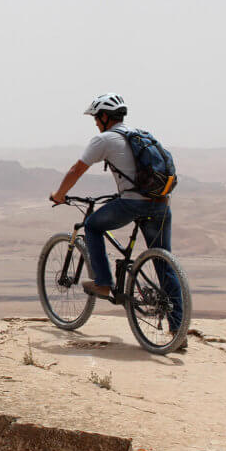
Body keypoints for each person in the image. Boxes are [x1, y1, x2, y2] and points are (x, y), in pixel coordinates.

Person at [49, 93, 184, 335]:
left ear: (104, 117)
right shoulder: (141, 135)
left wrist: (59, 195)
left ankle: (103, 283)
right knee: (164, 264)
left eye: (96, 118)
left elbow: (76, 169)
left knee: (92, 226)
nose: (95, 123)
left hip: (134, 204)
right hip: (161, 203)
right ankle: (178, 331)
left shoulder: (104, 140)